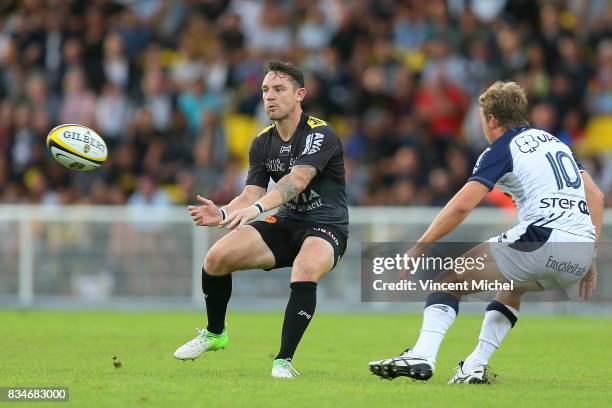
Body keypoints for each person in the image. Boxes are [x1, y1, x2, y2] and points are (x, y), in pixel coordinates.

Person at [368, 81, 603, 384]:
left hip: (542, 240)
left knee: (448, 282)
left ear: (491, 119)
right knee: (513, 288)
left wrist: (421, 245)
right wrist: (590, 255)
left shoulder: (502, 148)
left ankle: (422, 355)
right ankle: (473, 367)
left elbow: (461, 206)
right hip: (580, 254)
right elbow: (595, 197)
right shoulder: (556, 143)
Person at [174, 61, 349, 378]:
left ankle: (283, 361)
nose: (270, 96)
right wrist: (225, 212)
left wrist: (255, 211)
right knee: (215, 259)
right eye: (266, 90)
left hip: (326, 226)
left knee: (305, 268)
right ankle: (215, 334)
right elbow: (251, 193)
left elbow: (295, 182)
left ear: (300, 95)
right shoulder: (262, 142)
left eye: (279, 89)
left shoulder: (320, 133)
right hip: (287, 223)